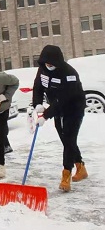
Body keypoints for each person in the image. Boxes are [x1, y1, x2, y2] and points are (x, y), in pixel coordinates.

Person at [32, 45, 87, 192]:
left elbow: (63, 99)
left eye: (51, 64)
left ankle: (66, 174)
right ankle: (80, 166)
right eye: (46, 63)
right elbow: (38, 87)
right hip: (57, 108)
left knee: (69, 138)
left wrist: (46, 115)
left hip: (73, 108)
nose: (49, 66)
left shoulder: (69, 73)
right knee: (65, 139)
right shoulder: (43, 69)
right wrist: (37, 104)